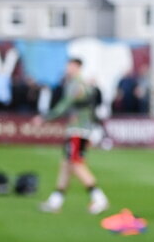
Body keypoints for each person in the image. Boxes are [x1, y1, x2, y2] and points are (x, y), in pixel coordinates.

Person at [36, 58, 109, 214]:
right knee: (66, 164)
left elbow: (65, 104)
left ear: (77, 67)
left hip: (79, 130)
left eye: (70, 65)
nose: (67, 68)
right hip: (79, 129)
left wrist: (46, 117)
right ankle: (56, 201)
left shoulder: (77, 84)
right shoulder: (82, 83)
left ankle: (99, 198)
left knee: (76, 164)